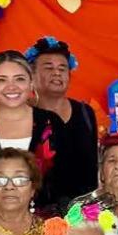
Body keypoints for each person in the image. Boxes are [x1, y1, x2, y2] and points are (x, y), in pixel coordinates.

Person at [0, 50, 86, 216]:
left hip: (45, 227)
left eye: (19, 79)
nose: (11, 87)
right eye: (2, 80)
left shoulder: (51, 123)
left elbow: (71, 179)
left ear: (31, 82)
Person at [27, 36, 100, 196]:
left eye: (62, 68)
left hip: (83, 212)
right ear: (31, 74)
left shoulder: (85, 112)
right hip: (36, 211)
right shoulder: (22, 112)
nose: (57, 73)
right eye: (48, 68)